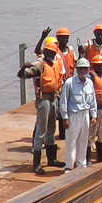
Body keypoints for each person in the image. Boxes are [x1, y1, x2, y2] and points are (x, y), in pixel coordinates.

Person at [17, 37, 64, 173]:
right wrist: (23, 68)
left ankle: (52, 159)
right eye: (48, 52)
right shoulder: (40, 65)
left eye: (52, 53)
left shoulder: (56, 64)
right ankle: (36, 163)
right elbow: (22, 75)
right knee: (41, 132)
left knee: (51, 129)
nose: (50, 55)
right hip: (44, 100)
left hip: (54, 99)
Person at [59, 57, 97, 169]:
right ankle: (69, 166)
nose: (83, 71)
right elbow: (63, 101)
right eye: (81, 69)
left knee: (83, 140)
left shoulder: (89, 83)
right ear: (76, 69)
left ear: (89, 70)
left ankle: (81, 163)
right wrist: (65, 118)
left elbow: (93, 100)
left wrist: (93, 115)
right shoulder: (69, 83)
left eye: (85, 69)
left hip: (85, 114)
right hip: (73, 115)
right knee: (71, 141)